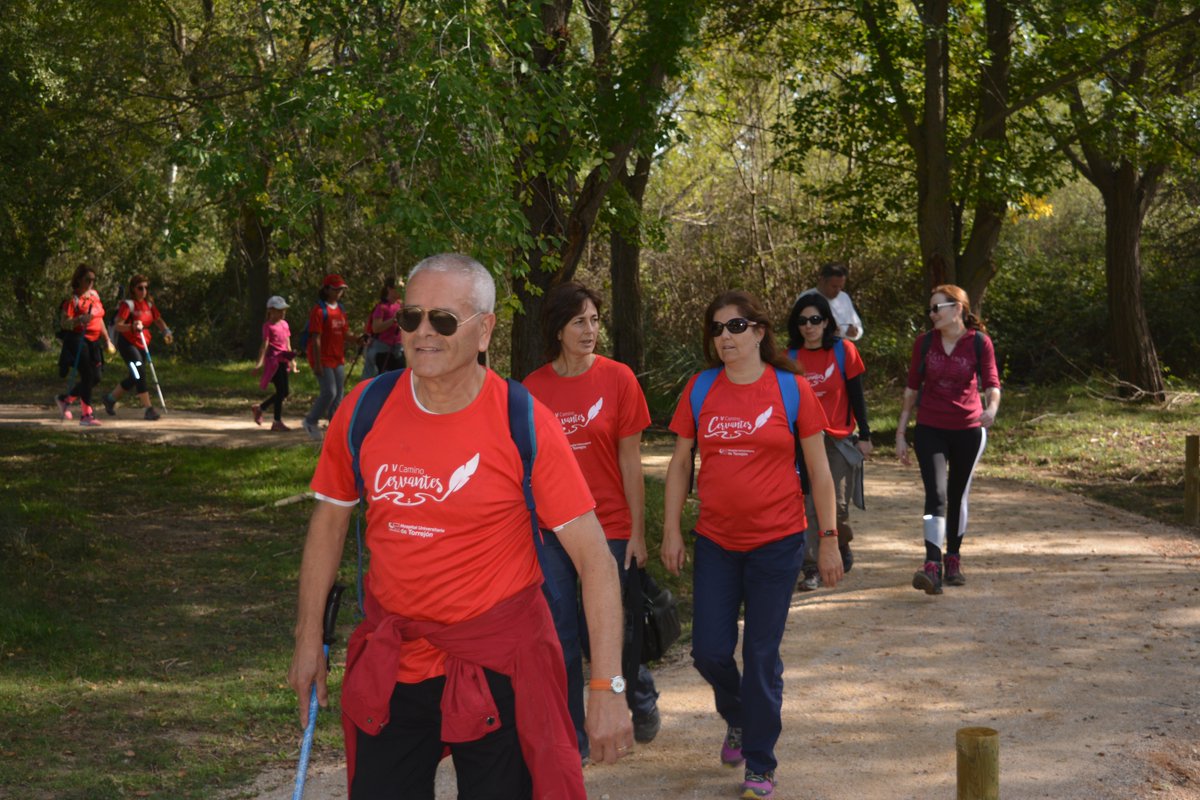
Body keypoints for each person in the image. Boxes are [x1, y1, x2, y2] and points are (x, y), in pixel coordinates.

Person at [287, 254, 633, 800]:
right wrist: (310, 641)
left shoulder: (522, 420)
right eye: (411, 317)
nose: (422, 333)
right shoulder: (364, 410)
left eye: (443, 321)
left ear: (484, 330)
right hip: (395, 657)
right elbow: (328, 527)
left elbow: (595, 559)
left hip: (498, 663)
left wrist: (607, 684)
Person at [661, 290, 842, 800]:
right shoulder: (700, 389)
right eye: (717, 329)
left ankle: (760, 763)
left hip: (777, 542)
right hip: (716, 540)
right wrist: (670, 528)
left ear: (759, 331)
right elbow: (680, 464)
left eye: (735, 327)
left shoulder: (791, 390)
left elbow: (821, 471)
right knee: (708, 651)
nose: (725, 337)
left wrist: (826, 539)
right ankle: (738, 715)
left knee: (762, 654)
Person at [523, 281, 661, 761]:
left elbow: (631, 461)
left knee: (607, 632)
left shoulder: (619, 378)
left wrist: (639, 532)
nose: (589, 330)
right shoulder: (532, 390)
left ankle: (636, 689)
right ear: (557, 329)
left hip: (611, 525)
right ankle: (573, 740)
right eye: (578, 321)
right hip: (551, 529)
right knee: (560, 634)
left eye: (595, 320)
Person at [895, 284, 1001, 595]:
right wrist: (901, 433)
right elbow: (911, 389)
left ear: (957, 309)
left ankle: (952, 557)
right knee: (936, 494)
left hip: (969, 429)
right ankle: (932, 563)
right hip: (930, 428)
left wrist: (992, 408)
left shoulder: (980, 343)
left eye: (936, 308)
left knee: (958, 494)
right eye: (929, 309)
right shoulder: (925, 343)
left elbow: (992, 383)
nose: (930, 315)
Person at [786, 291, 873, 591]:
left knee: (837, 507)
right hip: (802, 442)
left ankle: (840, 545)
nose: (809, 326)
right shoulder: (789, 358)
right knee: (808, 505)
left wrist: (865, 434)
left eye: (815, 320)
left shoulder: (843, 351)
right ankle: (811, 568)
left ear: (826, 322)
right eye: (802, 321)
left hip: (837, 440)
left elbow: (856, 394)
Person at [101, 274, 174, 421]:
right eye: (140, 288)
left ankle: (110, 399)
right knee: (139, 371)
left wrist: (166, 331)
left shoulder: (149, 305)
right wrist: (132, 326)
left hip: (143, 343)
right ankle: (148, 409)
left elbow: (158, 320)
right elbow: (118, 325)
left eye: (146, 288)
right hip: (127, 345)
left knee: (135, 376)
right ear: (133, 289)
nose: (144, 291)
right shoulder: (128, 305)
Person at [55, 264, 116, 426]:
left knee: (96, 377)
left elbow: (100, 318)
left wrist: (107, 339)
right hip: (78, 339)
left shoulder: (94, 295)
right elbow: (64, 323)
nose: (91, 283)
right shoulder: (72, 299)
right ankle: (86, 416)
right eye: (87, 279)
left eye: (93, 280)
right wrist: (78, 320)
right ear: (79, 280)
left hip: (94, 340)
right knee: (87, 374)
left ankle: (66, 399)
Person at [302, 274, 350, 441]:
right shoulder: (319, 310)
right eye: (336, 289)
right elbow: (315, 337)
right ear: (327, 289)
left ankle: (334, 427)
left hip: (338, 358)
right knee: (329, 392)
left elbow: (345, 333)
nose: (339, 292)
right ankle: (310, 421)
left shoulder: (341, 310)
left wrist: (359, 339)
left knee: (339, 395)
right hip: (323, 358)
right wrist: (317, 363)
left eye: (341, 290)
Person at [252, 295, 298, 431]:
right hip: (274, 363)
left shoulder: (285, 325)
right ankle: (276, 422)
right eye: (279, 310)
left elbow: (288, 345)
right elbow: (264, 345)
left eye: (283, 310)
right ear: (270, 310)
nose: (282, 312)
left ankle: (260, 408)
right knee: (281, 391)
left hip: (284, 361)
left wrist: (293, 362)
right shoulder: (268, 326)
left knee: (285, 392)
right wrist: (259, 363)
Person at [797, 262, 863, 341]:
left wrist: (855, 332)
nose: (837, 291)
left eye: (841, 287)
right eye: (834, 286)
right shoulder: (806, 298)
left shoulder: (844, 297)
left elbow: (857, 326)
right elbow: (797, 327)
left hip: (841, 348)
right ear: (822, 280)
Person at [360, 277, 405, 379]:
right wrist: (393, 320)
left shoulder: (401, 305)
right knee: (378, 381)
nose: (401, 291)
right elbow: (376, 328)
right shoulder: (382, 307)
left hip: (397, 350)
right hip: (381, 350)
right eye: (398, 288)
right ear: (389, 289)